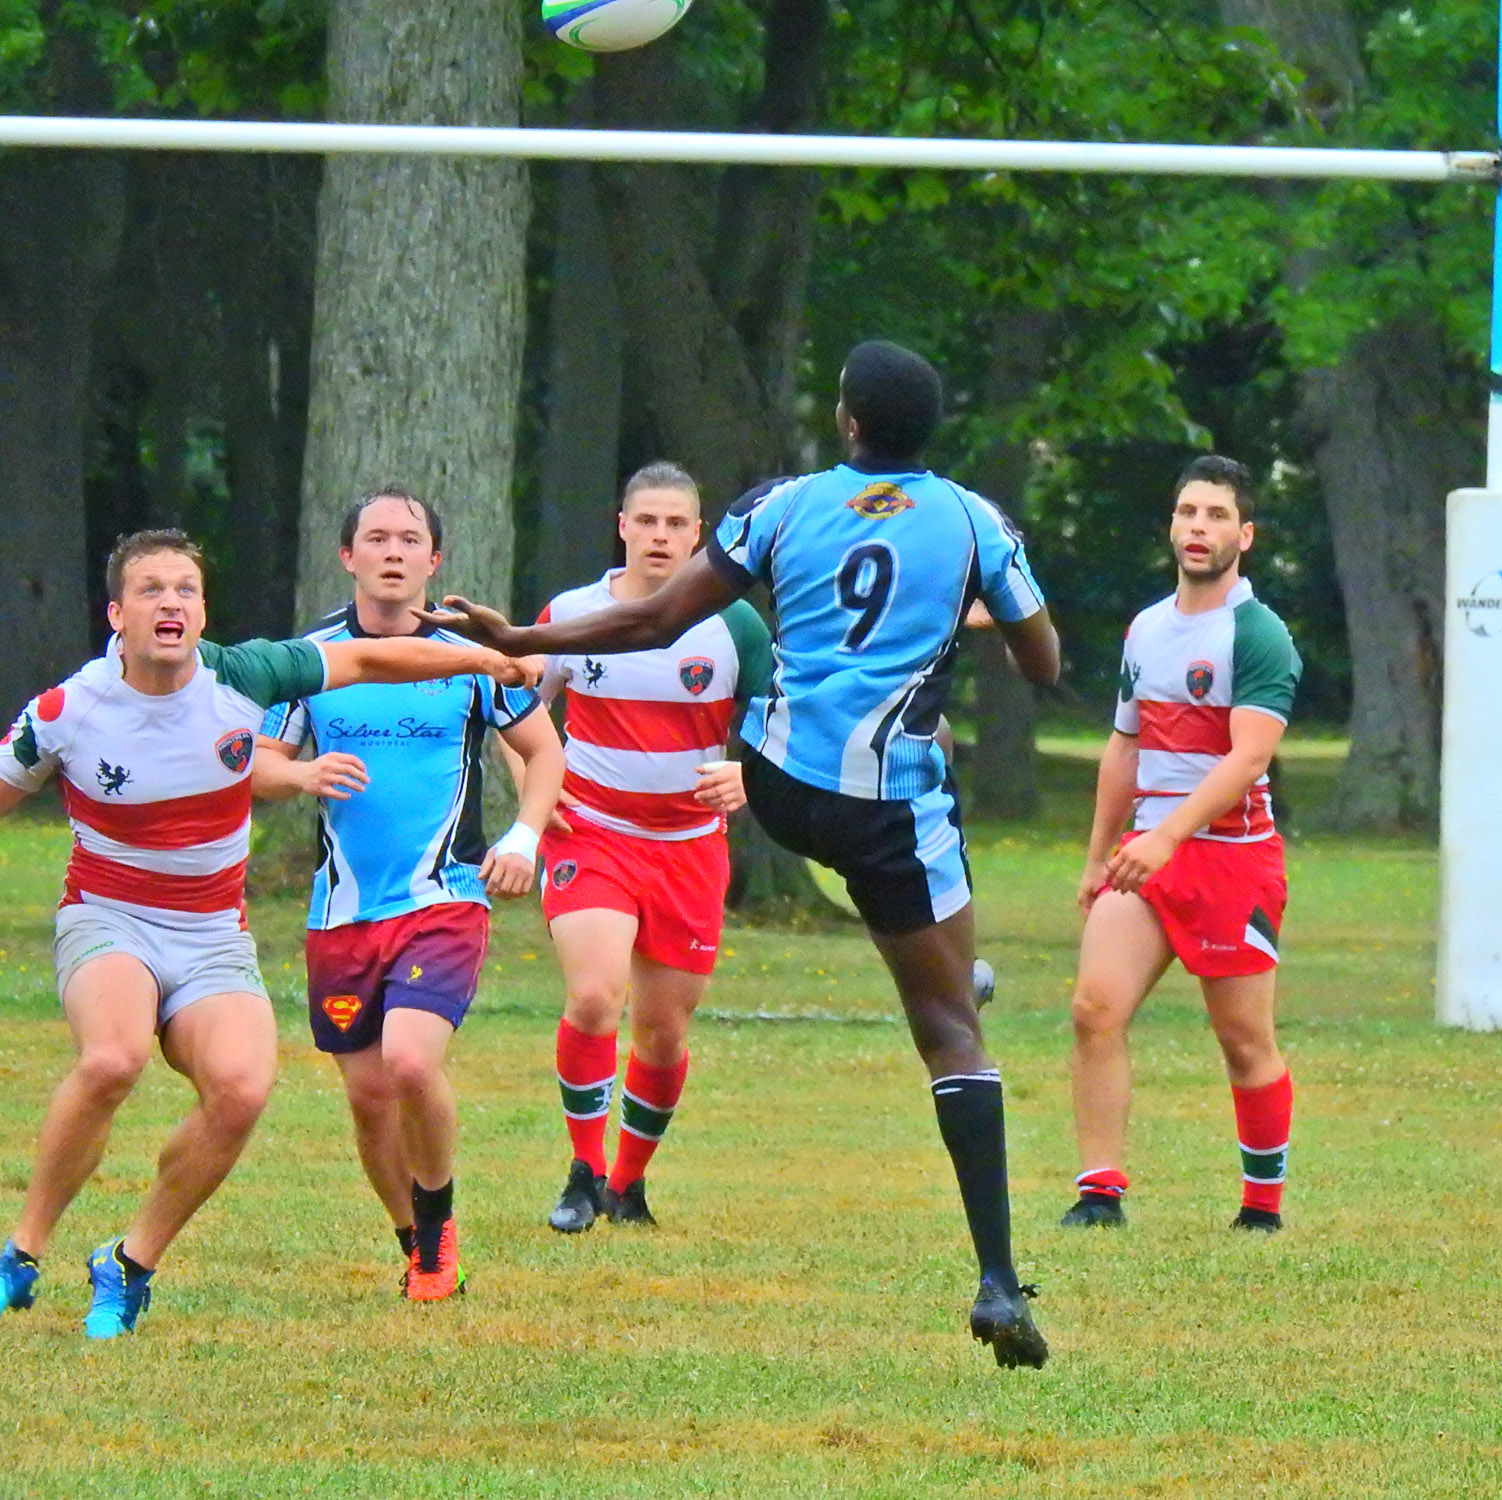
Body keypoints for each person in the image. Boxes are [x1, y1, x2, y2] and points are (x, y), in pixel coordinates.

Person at [424, 340, 1061, 1369]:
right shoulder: (975, 521)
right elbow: (1043, 662)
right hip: (886, 808)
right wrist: (966, 617)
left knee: (850, 825)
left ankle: (950, 969)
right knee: (948, 1025)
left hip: (775, 786)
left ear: (847, 420)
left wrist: (521, 638)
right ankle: (994, 1277)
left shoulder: (780, 504)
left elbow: (653, 620)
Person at [0, 528, 535, 1338]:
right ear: (117, 614)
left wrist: (483, 660)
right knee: (113, 1056)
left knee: (243, 1090)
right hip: (109, 915)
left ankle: (129, 1263)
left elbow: (373, 662)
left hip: (213, 930)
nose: (170, 603)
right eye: (150, 590)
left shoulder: (245, 673)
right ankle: (23, 1250)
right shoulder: (68, 711)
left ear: (203, 610)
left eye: (185, 589)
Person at [252, 490, 565, 1301]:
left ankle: (438, 1233)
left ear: (434, 562)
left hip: (445, 897)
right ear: (347, 556)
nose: (393, 551)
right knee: (367, 1100)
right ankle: (415, 1243)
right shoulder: (309, 658)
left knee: (411, 1063)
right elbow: (257, 766)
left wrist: (524, 838)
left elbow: (544, 750)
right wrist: (301, 771)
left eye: (410, 539)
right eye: (376, 538)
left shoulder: (468, 657)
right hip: (342, 912)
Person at [520, 463, 771, 1234]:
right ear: (621, 526)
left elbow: (779, 727)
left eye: (676, 525)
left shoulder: (734, 625)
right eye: (647, 521)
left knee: (663, 1031)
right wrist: (538, 782)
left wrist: (746, 774)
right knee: (595, 997)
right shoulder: (574, 611)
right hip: (590, 832)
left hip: (690, 847)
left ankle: (627, 1185)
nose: (660, 536)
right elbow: (512, 706)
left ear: (699, 536)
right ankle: (582, 1171)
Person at [1063, 457, 1301, 1233]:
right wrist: (1101, 855)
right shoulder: (1147, 629)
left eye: (1217, 515)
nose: (1199, 527)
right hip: (1147, 855)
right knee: (1095, 1008)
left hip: (1232, 859)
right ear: (1171, 526)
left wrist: (1167, 835)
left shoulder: (1258, 634)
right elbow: (1124, 748)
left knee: (1243, 1041)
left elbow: (1249, 757)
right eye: (1187, 512)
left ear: (1246, 535)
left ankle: (1261, 1207)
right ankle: (1100, 1193)